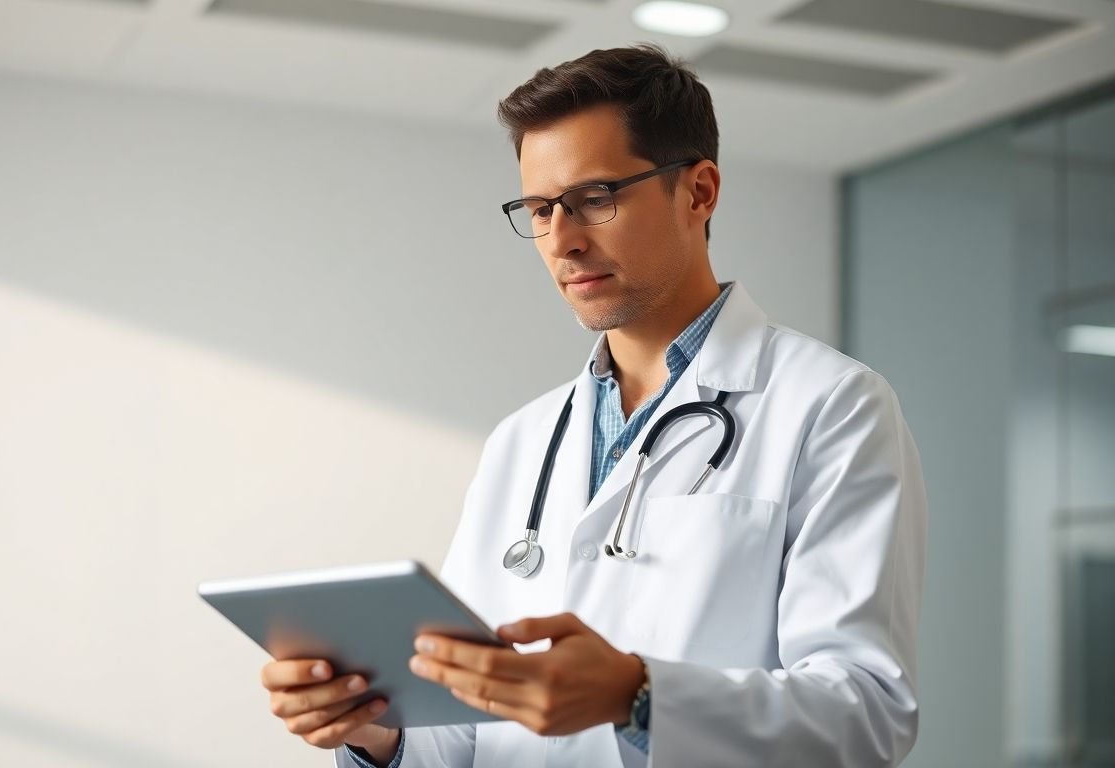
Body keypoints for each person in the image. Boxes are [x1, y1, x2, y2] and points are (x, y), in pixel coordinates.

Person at [258, 44, 926, 767]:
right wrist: (373, 730)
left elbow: (864, 716)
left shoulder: (832, 407)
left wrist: (639, 697)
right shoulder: (524, 441)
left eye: (596, 198)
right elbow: (464, 729)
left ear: (698, 192)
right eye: (540, 209)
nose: (563, 241)